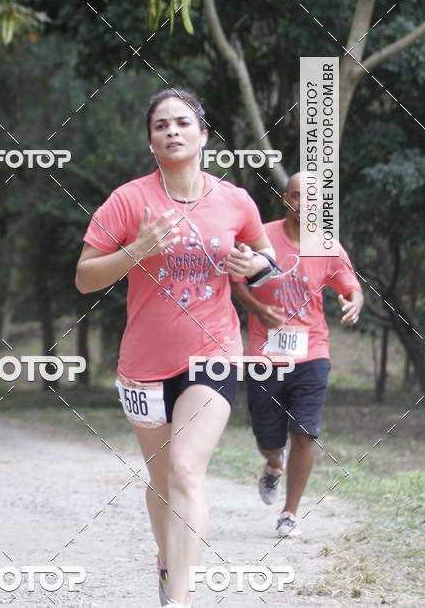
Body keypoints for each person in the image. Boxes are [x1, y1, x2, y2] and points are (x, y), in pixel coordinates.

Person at [75, 89, 279, 607]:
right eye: (161, 124)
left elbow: (267, 260)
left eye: (183, 122)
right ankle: (169, 564)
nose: (172, 131)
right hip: (143, 363)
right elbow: (84, 278)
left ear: (203, 134)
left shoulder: (234, 200)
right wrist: (137, 249)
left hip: (213, 351)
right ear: (150, 141)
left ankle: (181, 599)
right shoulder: (128, 201)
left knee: (187, 469)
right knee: (163, 479)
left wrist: (254, 268)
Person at [232, 172, 364, 537]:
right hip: (264, 355)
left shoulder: (327, 247)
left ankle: (289, 513)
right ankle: (274, 464)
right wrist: (258, 311)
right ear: (285, 199)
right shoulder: (261, 239)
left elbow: (352, 287)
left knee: (305, 434)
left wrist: (353, 304)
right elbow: (237, 284)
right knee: (267, 439)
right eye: (296, 196)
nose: (304, 204)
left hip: (312, 353)